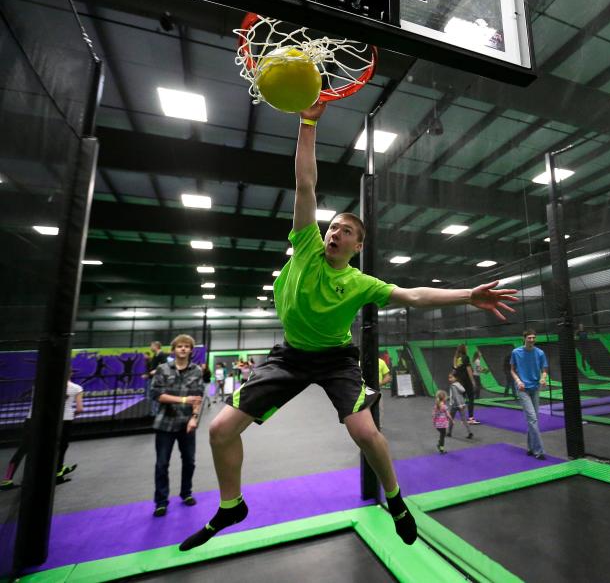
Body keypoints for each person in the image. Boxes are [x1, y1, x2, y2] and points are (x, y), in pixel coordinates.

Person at [178, 100, 517, 552]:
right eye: (333, 227)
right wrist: (308, 123)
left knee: (364, 432)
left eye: (346, 232)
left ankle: (395, 500)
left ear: (358, 245)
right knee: (220, 430)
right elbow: (305, 183)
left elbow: (413, 297)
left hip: (336, 359)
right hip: (290, 356)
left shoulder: (360, 282)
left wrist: (468, 294)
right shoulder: (305, 247)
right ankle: (231, 505)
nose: (336, 233)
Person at [150, 334, 205, 517]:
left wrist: (194, 418)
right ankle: (161, 501)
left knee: (189, 462)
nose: (183, 349)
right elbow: (157, 394)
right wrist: (183, 399)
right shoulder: (162, 369)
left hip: (186, 424)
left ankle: (186, 493)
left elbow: (198, 396)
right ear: (173, 350)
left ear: (191, 350)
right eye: (179, 346)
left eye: (186, 346)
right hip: (165, 423)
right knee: (161, 464)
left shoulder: (196, 370)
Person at [1, 379, 83, 490]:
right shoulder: (69, 387)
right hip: (49, 421)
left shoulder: (40, 384)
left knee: (22, 450)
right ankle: (54, 473)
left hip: (31, 420)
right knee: (53, 449)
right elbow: (74, 406)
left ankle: (7, 479)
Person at [510, 329, 549, 460]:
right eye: (529, 338)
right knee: (532, 419)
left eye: (533, 338)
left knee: (533, 420)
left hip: (535, 388)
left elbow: (544, 370)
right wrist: (518, 380)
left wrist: (543, 378)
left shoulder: (540, 353)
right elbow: (512, 370)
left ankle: (530, 447)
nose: (532, 340)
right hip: (522, 389)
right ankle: (540, 451)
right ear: (524, 338)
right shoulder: (516, 352)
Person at [452, 344, 479, 424]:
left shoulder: (457, 358)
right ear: (463, 349)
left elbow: (454, 370)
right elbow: (469, 370)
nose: (467, 348)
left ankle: (456, 416)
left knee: (461, 400)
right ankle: (471, 418)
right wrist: (473, 381)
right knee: (470, 399)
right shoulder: (465, 357)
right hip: (466, 381)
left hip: (459, 382)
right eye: (466, 347)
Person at [446, 371, 473, 439]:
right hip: (463, 403)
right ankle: (469, 432)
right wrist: (449, 397)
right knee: (464, 419)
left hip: (455, 405)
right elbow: (460, 393)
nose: (449, 379)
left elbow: (455, 396)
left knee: (451, 418)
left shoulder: (453, 386)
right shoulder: (458, 384)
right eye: (449, 378)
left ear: (455, 378)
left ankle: (449, 433)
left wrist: (459, 405)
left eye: (451, 377)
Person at [377, 356, 391, 423]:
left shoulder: (381, 362)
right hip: (362, 391)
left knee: (379, 409)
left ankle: (379, 426)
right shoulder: (359, 362)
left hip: (377, 390)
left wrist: (381, 383)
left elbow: (387, 377)